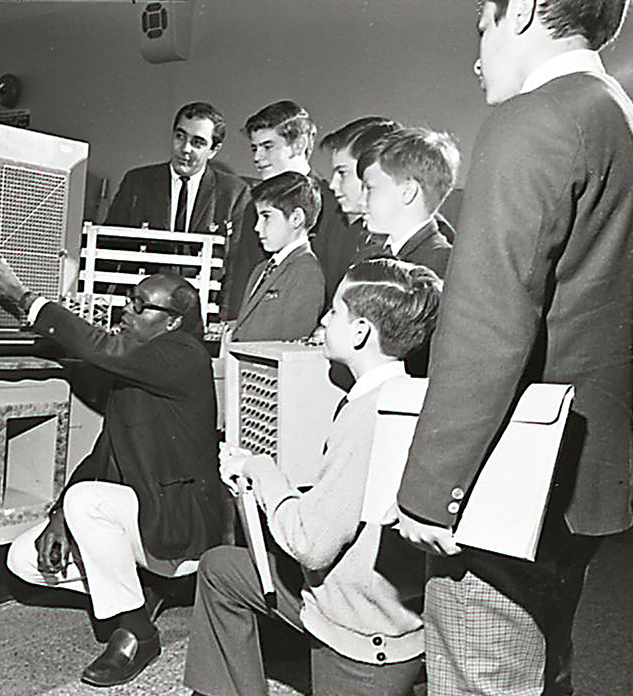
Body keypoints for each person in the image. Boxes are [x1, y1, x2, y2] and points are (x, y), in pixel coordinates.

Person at [395, 1, 633, 694]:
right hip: (586, 475)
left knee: (482, 671)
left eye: (484, 28)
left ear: (524, 9)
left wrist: (431, 490)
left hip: (508, 485)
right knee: (542, 669)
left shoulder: (534, 118)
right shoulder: (614, 113)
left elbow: (489, 321)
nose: (477, 57)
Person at [184, 258, 443, 696]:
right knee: (222, 569)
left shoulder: (366, 416)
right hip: (388, 608)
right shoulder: (406, 393)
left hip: (362, 637)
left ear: (361, 331)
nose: (323, 320)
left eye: (335, 311)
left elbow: (312, 546)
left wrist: (263, 474)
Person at [0, 248, 226, 688]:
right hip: (145, 518)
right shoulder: (140, 367)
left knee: (87, 502)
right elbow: (104, 453)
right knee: (24, 562)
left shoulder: (184, 354)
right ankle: (137, 592)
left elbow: (99, 346)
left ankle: (137, 633)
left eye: (142, 305)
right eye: (129, 299)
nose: (128, 310)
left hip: (182, 532)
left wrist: (20, 293)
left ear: (173, 322)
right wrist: (59, 519)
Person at [105, 102, 261, 321]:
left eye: (197, 142)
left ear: (214, 150)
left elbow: (236, 269)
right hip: (142, 314)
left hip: (200, 316)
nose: (185, 149)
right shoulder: (137, 183)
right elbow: (109, 251)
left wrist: (223, 322)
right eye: (180, 136)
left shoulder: (234, 193)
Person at [243, 101, 349, 301]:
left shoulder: (334, 204)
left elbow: (336, 277)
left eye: (267, 146)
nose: (257, 157)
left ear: (299, 145)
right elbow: (243, 272)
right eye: (254, 148)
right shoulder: (253, 204)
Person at [232, 171, 325, 342]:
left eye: (266, 217)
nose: (257, 227)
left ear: (296, 219)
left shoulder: (306, 271)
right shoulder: (261, 269)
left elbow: (291, 345)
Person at [356, 127, 459, 277]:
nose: (360, 201)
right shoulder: (373, 252)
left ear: (408, 192)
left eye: (370, 188)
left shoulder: (439, 266)